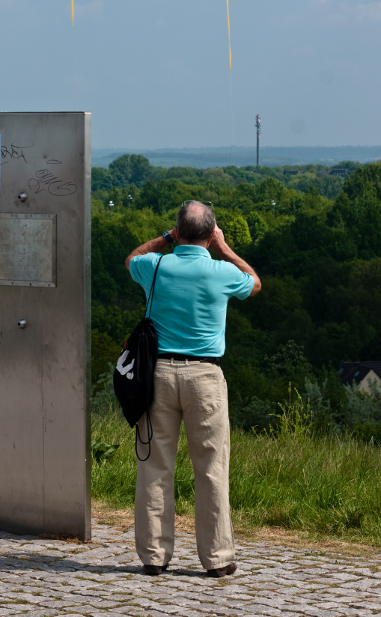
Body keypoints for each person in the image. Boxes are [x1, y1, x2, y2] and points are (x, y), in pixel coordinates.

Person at [125, 200, 261, 577]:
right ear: (211, 233)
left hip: (158, 375)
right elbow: (254, 283)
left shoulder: (155, 266)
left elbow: (132, 258)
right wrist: (224, 247)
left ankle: (154, 556)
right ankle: (217, 559)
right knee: (212, 469)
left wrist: (165, 239)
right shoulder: (221, 272)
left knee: (154, 466)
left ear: (178, 231)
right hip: (205, 377)